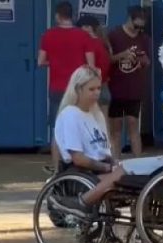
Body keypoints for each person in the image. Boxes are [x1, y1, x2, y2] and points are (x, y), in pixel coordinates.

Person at [48, 67, 163, 219]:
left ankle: (149, 218)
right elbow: (78, 158)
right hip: (81, 172)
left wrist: (114, 163)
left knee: (141, 171)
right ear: (78, 90)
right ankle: (81, 202)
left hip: (100, 168)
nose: (96, 93)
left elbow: (104, 150)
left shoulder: (96, 114)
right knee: (123, 174)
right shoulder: (70, 115)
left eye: (99, 88)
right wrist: (107, 167)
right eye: (91, 89)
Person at [38, 1, 95, 173]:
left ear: (57, 16)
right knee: (81, 128)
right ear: (72, 15)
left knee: (58, 130)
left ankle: (57, 169)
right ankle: (81, 168)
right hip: (78, 89)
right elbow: (90, 65)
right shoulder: (84, 36)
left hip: (57, 88)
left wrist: (54, 62)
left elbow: (40, 62)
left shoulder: (48, 35)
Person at [108, 6, 151, 158]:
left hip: (135, 88)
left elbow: (148, 60)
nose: (138, 30)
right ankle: (115, 162)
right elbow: (108, 60)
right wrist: (123, 55)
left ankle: (138, 161)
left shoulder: (144, 38)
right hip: (117, 88)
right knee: (116, 128)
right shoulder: (114, 35)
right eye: (136, 26)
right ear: (129, 19)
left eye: (141, 27)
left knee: (133, 125)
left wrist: (142, 61)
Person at [77, 15, 112, 123]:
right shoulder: (104, 43)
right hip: (104, 87)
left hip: (91, 88)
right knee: (103, 125)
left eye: (80, 27)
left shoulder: (89, 43)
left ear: (88, 27)